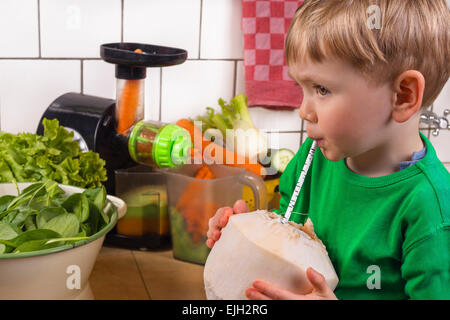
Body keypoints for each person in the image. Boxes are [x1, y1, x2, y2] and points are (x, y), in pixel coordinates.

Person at [206, 0, 450, 300]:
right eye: (302, 88)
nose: (303, 110)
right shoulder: (312, 160)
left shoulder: (430, 210)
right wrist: (244, 239)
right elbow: (290, 239)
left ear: (403, 95)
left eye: (322, 89)